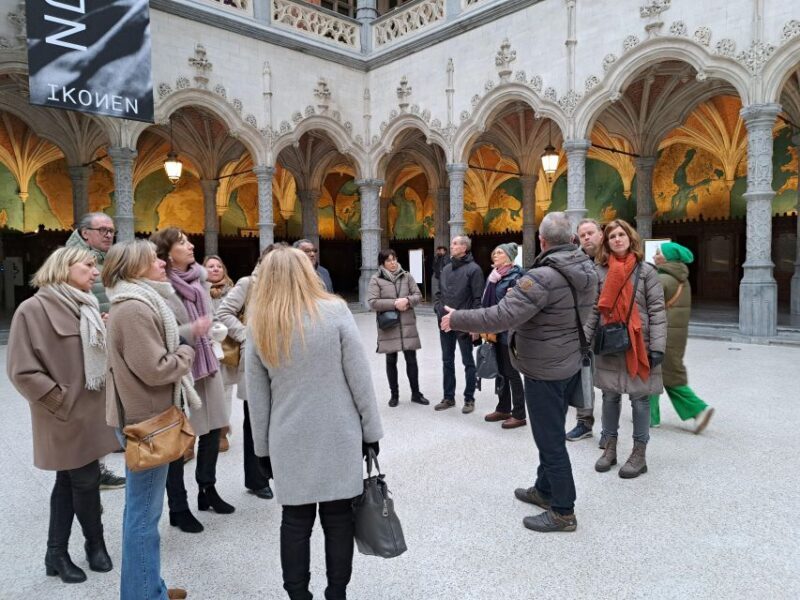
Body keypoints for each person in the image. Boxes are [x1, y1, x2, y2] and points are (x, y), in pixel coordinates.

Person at [441, 212, 598, 532]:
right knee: (551, 431)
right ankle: (544, 489)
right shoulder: (586, 268)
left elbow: (501, 317)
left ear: (541, 241)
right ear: (572, 240)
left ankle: (563, 510)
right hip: (568, 358)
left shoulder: (541, 277)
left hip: (545, 367)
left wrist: (457, 318)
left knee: (550, 439)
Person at [245, 246, 383, 600]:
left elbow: (257, 399)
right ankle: (336, 593)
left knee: (294, 522)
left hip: (287, 437)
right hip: (338, 433)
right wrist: (371, 432)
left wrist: (262, 449)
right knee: (338, 520)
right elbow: (360, 379)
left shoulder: (259, 323)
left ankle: (298, 595)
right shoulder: (335, 311)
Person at [7, 246, 119, 584]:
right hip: (62, 414)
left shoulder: (84, 306)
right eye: (87, 266)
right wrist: (60, 401)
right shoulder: (33, 309)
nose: (95, 273)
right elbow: (21, 370)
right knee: (84, 481)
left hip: (90, 412)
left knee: (69, 480)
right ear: (63, 266)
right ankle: (93, 545)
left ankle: (55, 554)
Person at [104, 239, 195, 600]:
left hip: (142, 415)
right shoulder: (135, 309)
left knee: (139, 511)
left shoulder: (139, 302)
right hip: (146, 421)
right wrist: (187, 350)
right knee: (143, 517)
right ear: (135, 268)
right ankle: (144, 594)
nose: (160, 262)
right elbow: (155, 369)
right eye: (153, 258)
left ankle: (145, 586)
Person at [150, 228, 233, 534]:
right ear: (168, 252)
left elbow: (210, 317)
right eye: (183, 242)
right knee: (179, 441)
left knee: (212, 430)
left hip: (207, 363)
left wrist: (214, 330)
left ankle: (207, 490)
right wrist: (192, 329)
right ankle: (178, 507)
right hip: (180, 371)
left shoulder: (199, 280)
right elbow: (160, 332)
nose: (191, 245)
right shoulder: (160, 285)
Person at [584, 219, 667, 479]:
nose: (617, 239)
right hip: (609, 341)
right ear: (606, 243)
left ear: (630, 238)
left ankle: (639, 454)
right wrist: (585, 341)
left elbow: (657, 310)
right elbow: (595, 310)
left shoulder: (646, 271)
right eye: (612, 237)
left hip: (639, 344)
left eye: (621, 235)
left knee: (640, 398)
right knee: (609, 396)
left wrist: (658, 347)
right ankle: (609, 448)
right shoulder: (599, 271)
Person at [216, 245, 284, 501]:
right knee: (255, 419)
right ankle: (256, 479)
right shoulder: (249, 283)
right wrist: (245, 336)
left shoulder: (284, 285)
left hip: (282, 359)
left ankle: (274, 469)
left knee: (278, 418)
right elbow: (223, 311)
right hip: (255, 360)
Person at [66, 211, 126, 490]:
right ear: (84, 233)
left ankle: (96, 466)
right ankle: (91, 471)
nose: (108, 234)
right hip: (85, 347)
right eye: (102, 230)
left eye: (111, 230)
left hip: (103, 339)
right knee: (90, 411)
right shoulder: (72, 260)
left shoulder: (106, 258)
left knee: (102, 410)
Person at [649, 242, 715, 432]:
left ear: (666, 258)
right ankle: (650, 416)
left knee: (663, 375)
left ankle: (699, 409)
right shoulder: (681, 279)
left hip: (662, 336)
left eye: (658, 253)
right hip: (675, 336)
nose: (654, 256)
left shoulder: (662, 280)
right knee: (657, 374)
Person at [367, 248, 429, 407]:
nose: (392, 262)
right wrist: (395, 303)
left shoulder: (406, 276)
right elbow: (372, 302)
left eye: (394, 259)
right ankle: (394, 395)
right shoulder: (376, 279)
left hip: (407, 325)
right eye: (388, 260)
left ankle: (416, 393)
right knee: (391, 360)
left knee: (412, 360)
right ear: (383, 263)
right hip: (389, 326)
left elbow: (418, 295)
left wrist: (407, 301)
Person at [434, 235, 484, 414]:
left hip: (464, 323)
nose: (452, 246)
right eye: (452, 243)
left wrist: (474, 326)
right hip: (445, 322)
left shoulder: (474, 269)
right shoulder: (446, 268)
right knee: (447, 360)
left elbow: (478, 299)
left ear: (465, 247)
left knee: (468, 362)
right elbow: (438, 293)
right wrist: (439, 311)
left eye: (455, 243)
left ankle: (469, 399)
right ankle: (448, 398)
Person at [480, 243, 527, 429]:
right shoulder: (494, 277)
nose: (495, 255)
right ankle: (503, 407)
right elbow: (486, 301)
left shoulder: (518, 276)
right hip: (495, 330)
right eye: (494, 252)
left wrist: (515, 294)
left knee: (512, 372)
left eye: (499, 252)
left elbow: (523, 302)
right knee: (500, 370)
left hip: (510, 332)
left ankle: (519, 414)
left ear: (509, 257)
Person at [566, 218, 604, 443]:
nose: (587, 238)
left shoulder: (613, 261)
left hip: (609, 329)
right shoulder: (576, 263)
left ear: (601, 234)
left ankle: (610, 431)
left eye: (591, 233)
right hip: (582, 329)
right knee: (583, 377)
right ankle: (584, 422)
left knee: (611, 383)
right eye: (583, 235)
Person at [204, 254, 235, 453]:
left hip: (225, 348)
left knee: (224, 391)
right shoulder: (195, 291)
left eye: (219, 266)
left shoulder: (233, 292)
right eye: (210, 266)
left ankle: (222, 430)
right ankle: (204, 431)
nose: (215, 269)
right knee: (203, 391)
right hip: (203, 347)